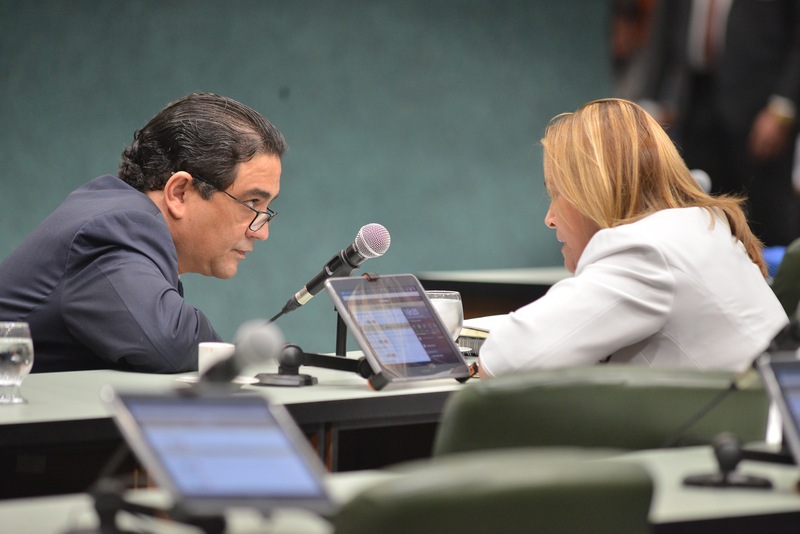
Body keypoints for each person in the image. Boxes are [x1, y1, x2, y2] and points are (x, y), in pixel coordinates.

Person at [478, 98, 788, 378]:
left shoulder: (646, 250)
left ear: (594, 191)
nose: (549, 218)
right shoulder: (698, 229)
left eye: (557, 194)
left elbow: (504, 360)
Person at [0, 93, 286, 373]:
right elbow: (170, 342)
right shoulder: (116, 229)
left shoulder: (120, 217)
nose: (261, 232)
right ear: (179, 192)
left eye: (266, 209)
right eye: (251, 203)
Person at [637, 0, 800, 247]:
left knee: (766, 221)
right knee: (700, 216)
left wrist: (783, 106)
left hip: (759, 110)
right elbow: (664, 31)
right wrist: (651, 101)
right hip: (694, 103)